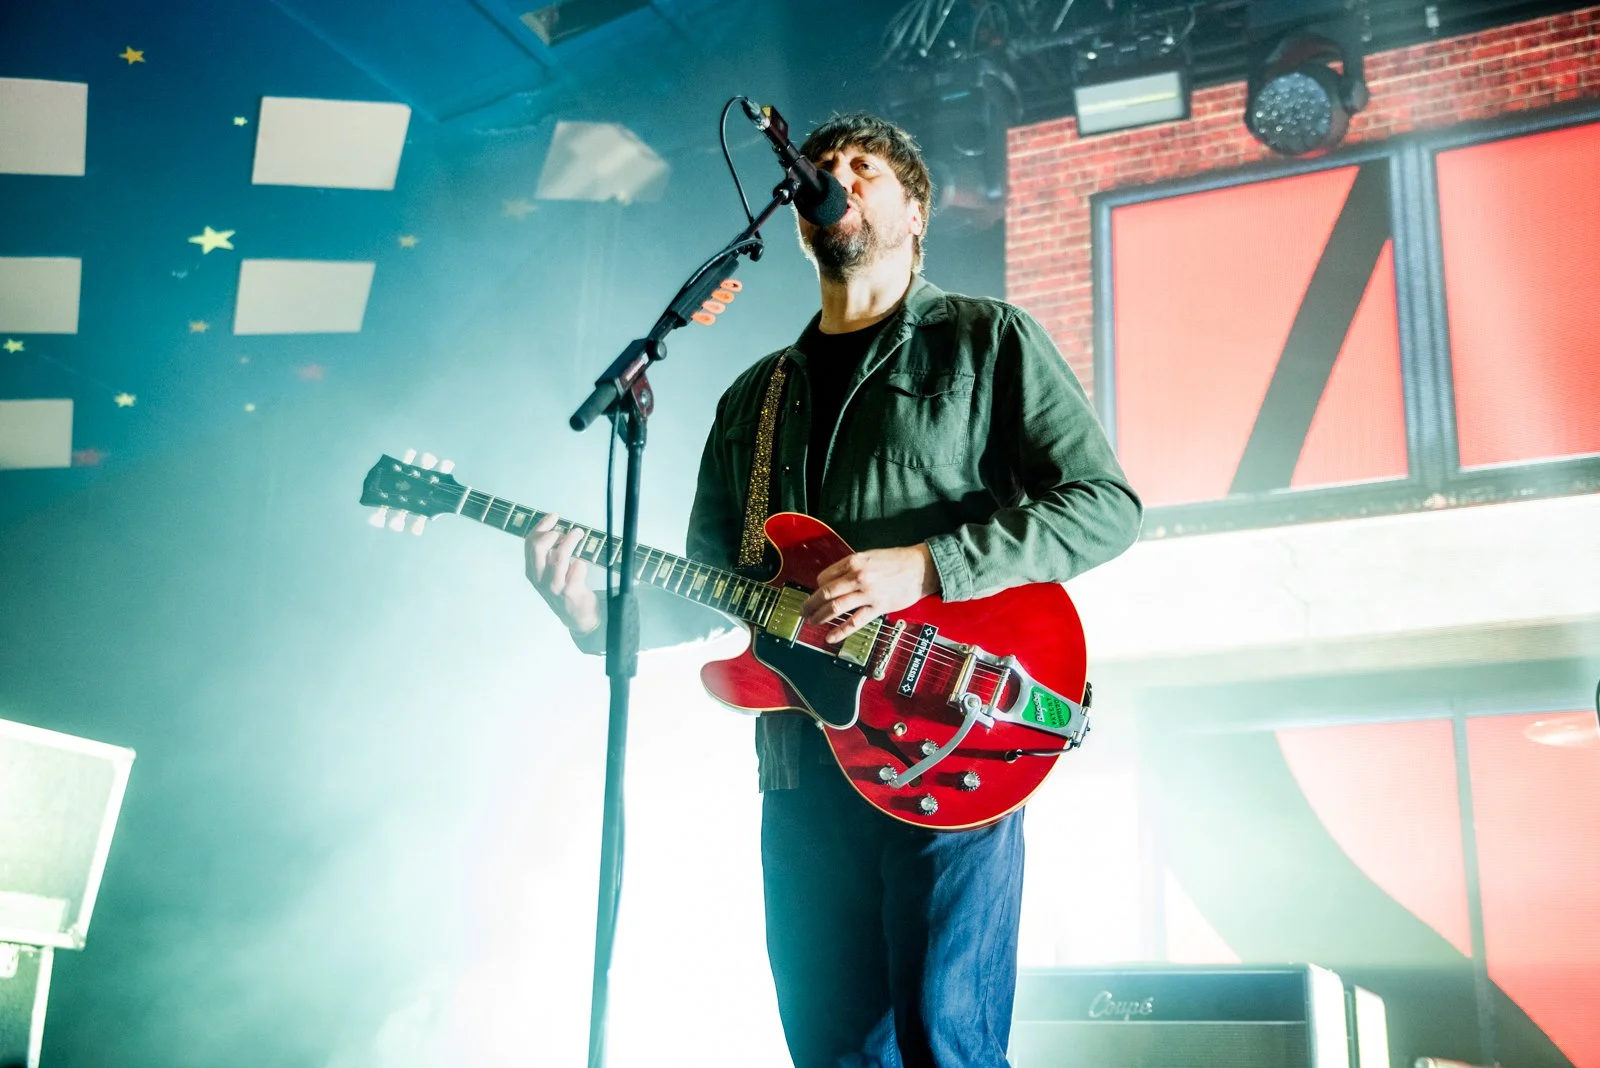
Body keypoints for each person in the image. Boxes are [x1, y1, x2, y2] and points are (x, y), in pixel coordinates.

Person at [524, 112, 1142, 1068]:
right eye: (819, 169)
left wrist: (930, 567)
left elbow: (1106, 507)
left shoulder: (986, 341)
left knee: (949, 1044)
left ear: (915, 212)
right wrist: (596, 620)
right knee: (833, 1052)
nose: (834, 180)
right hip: (803, 759)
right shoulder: (753, 399)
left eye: (864, 169)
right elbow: (718, 590)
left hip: (953, 725)